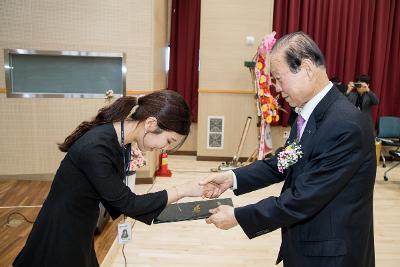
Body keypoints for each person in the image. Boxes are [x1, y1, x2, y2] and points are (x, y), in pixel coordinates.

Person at [200, 32, 376, 267]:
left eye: (278, 78)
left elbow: (305, 197)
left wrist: (239, 217)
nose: (276, 88)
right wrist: (232, 178)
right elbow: (283, 162)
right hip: (306, 245)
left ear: (306, 67)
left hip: (331, 255)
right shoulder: (310, 114)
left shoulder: (345, 124)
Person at [13, 90, 212, 267]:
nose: (164, 148)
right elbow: (128, 204)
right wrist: (184, 190)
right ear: (151, 123)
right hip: (61, 232)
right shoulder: (97, 147)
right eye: (168, 141)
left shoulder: (119, 140)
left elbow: (122, 201)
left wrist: (191, 209)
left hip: (80, 225)